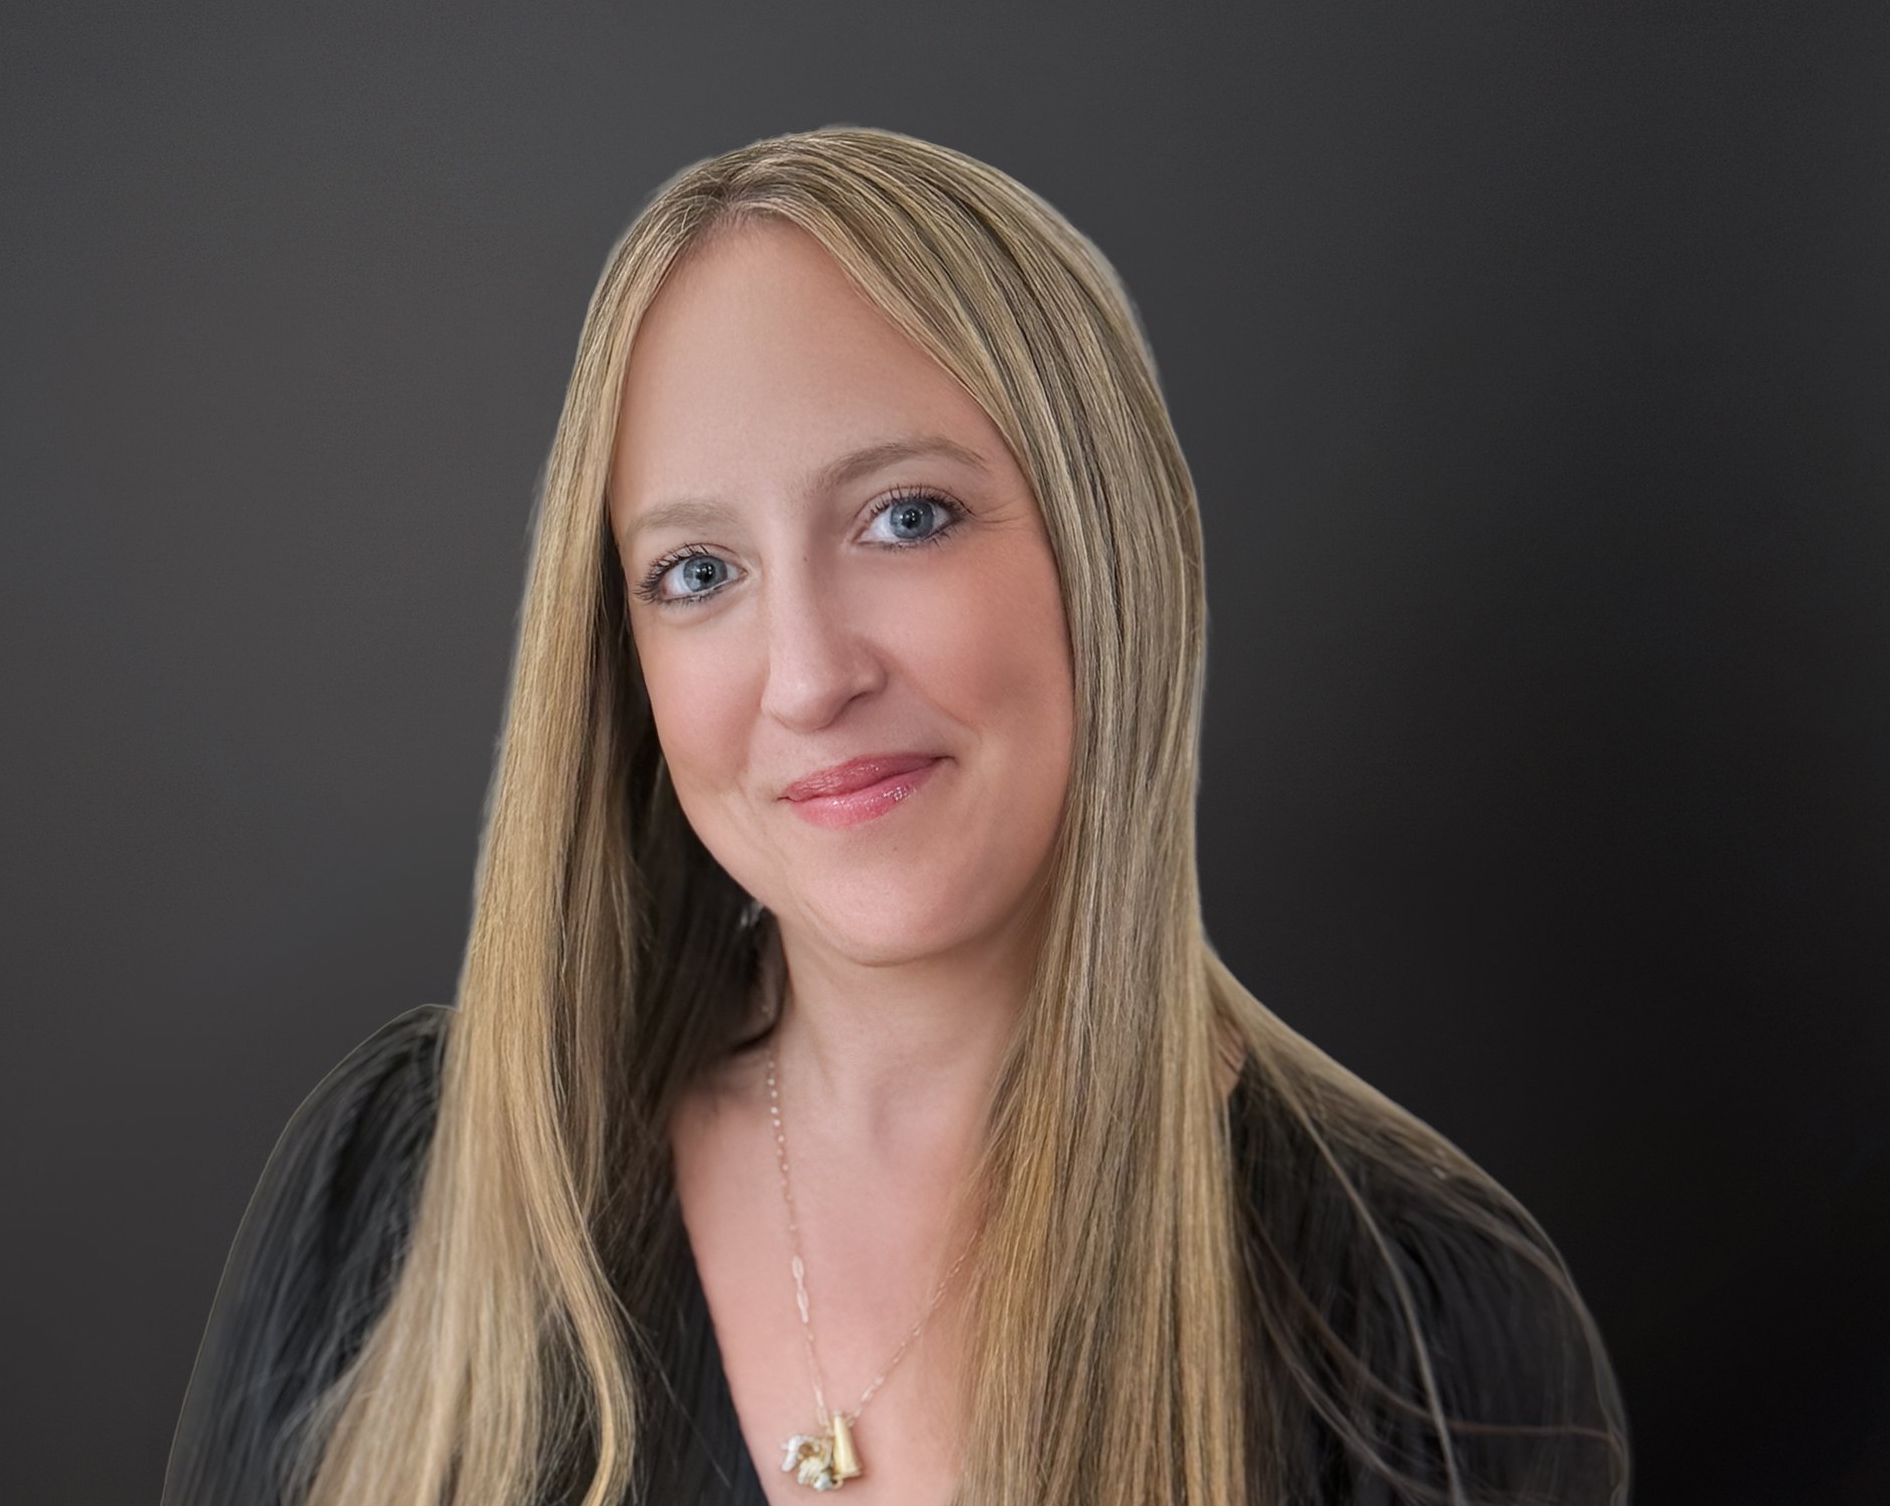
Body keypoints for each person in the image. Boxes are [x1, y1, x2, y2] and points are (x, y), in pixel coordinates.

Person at [161, 126, 1631, 1506]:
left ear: (1104, 548)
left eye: (906, 517)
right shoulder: (397, 1190)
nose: (808, 678)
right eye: (695, 572)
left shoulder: (1427, 1332)